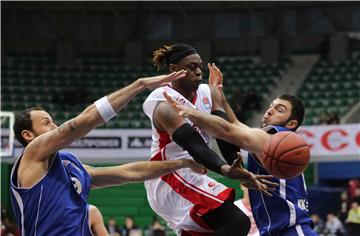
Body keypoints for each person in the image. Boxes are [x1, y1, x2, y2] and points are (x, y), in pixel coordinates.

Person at [9, 71, 207, 236]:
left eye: (53, 121)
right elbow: (82, 122)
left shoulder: (68, 164)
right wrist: (139, 85)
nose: (54, 125)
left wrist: (182, 163)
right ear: (28, 135)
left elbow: (129, 172)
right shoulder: (31, 154)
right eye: (46, 123)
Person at [164, 63, 317, 235]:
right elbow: (235, 124)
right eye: (271, 106)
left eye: (279, 110)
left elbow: (226, 131)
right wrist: (218, 95)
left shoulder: (274, 138)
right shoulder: (274, 141)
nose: (269, 111)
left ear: (291, 124)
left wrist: (190, 112)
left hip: (292, 231)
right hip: (277, 230)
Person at [142, 43, 277, 236]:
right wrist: (225, 170)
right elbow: (193, 143)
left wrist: (237, 168)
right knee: (237, 222)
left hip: (193, 172)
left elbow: (224, 133)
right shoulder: (163, 102)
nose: (198, 72)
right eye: (191, 67)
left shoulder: (209, 92)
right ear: (174, 70)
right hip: (169, 175)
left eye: (199, 66)